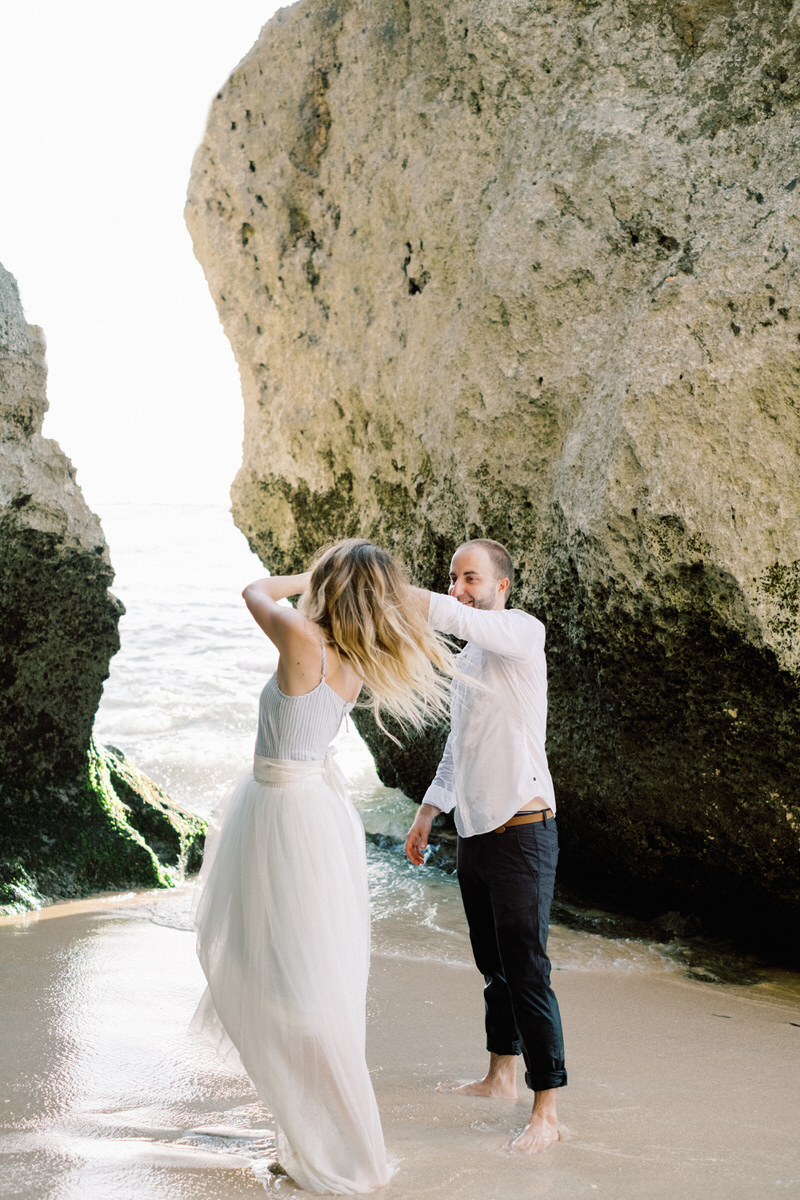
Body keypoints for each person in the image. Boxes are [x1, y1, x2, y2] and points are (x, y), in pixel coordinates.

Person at [192, 538, 456, 1194]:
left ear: (329, 584)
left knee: (280, 978)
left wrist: (301, 576)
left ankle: (338, 1146)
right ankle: (308, 1136)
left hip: (283, 812)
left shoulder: (304, 639)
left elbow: (254, 591)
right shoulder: (354, 657)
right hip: (310, 810)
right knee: (301, 974)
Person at [405, 538, 567, 1154]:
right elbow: (458, 746)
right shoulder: (471, 658)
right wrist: (428, 812)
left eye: (470, 577)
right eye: (452, 578)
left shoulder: (523, 633)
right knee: (492, 968)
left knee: (528, 971)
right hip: (474, 832)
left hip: (525, 831)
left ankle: (545, 1108)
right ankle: (500, 1077)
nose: (458, 588)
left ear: (501, 585)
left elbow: (457, 617)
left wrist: (390, 591)